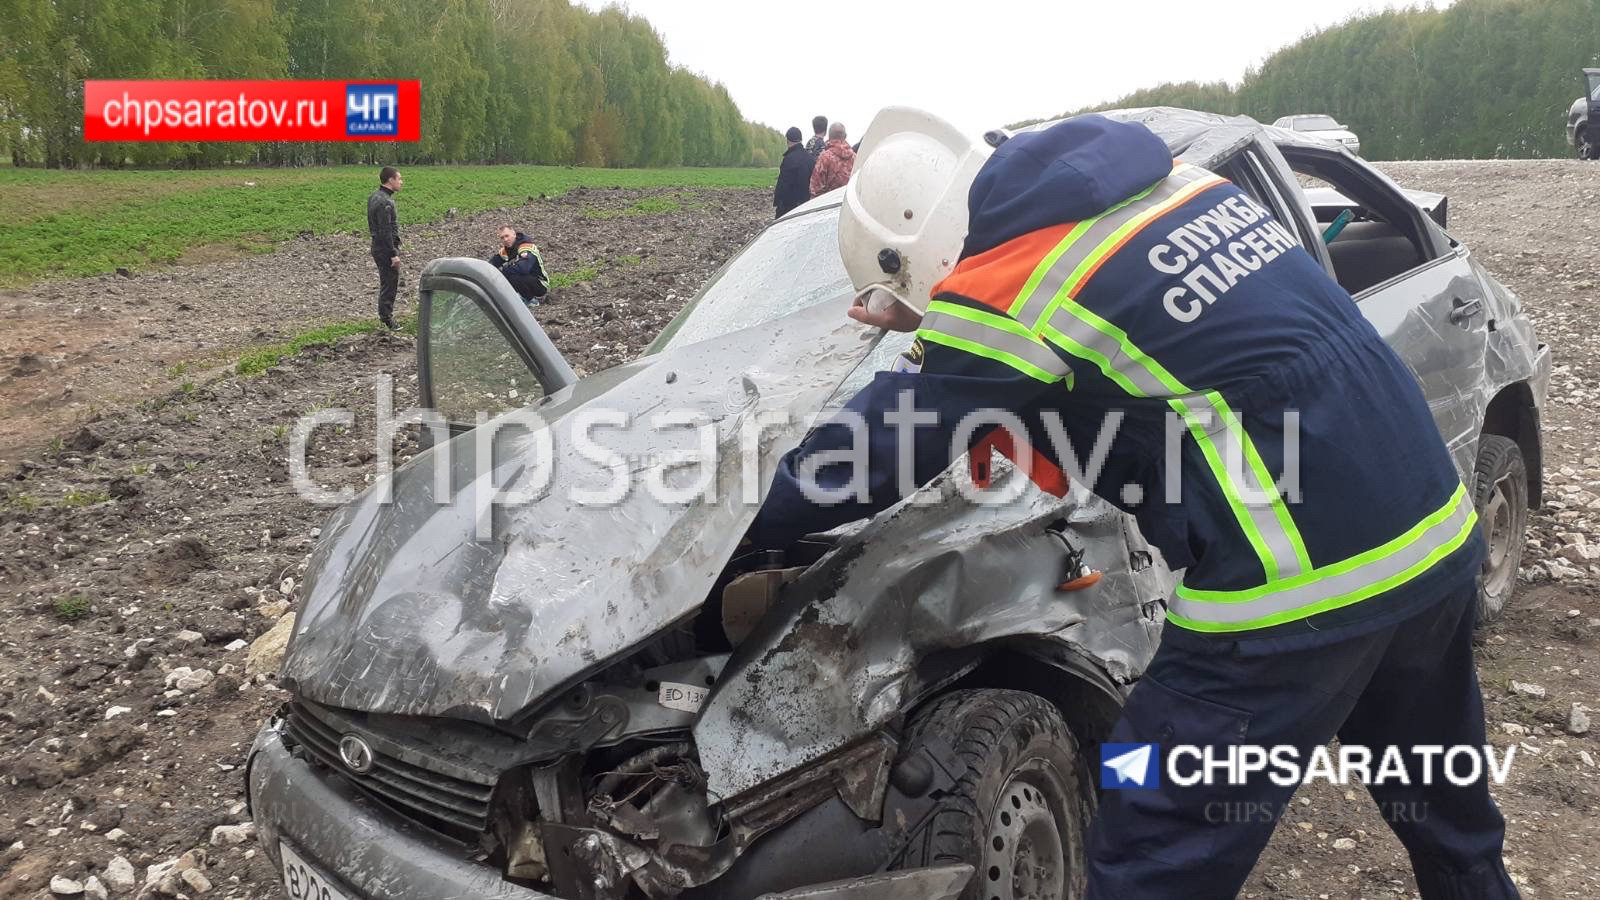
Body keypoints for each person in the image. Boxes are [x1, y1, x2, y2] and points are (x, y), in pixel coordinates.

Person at [749, 108, 1516, 899]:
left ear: (914, 258)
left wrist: (743, 522)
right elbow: (1159, 366)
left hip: (1297, 587)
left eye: (914, 301)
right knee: (1445, 812)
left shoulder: (1009, 277)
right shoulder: (1174, 188)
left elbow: (881, 445)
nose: (926, 318)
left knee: (1149, 826)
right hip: (1430, 527)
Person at [366, 166, 403, 329]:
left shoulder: (373, 196)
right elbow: (385, 230)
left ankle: (385, 316)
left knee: (386, 282)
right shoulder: (385, 202)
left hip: (377, 247)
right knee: (389, 283)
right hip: (384, 249)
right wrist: (393, 253)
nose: (401, 182)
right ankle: (387, 319)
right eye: (399, 178)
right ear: (390, 180)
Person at [487, 225, 549, 305]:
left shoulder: (526, 246)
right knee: (505, 276)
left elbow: (524, 268)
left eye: (507, 236)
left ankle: (531, 300)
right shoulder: (507, 249)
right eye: (502, 238)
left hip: (540, 284)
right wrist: (486, 269)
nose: (505, 239)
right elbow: (495, 261)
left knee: (512, 276)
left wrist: (503, 271)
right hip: (527, 280)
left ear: (514, 234)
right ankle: (519, 297)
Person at [774, 126, 815, 218]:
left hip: (788, 207)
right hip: (805, 205)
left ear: (788, 140)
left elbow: (783, 185)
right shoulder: (810, 159)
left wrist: (778, 203)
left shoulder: (789, 159)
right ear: (800, 140)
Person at [808, 122, 855, 197]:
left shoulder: (825, 157)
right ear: (845, 136)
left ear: (829, 136)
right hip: (847, 203)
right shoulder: (855, 157)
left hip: (829, 204)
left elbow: (815, 188)